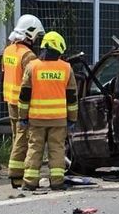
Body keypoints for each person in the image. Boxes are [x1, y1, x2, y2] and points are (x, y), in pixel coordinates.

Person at [18, 31, 78, 191]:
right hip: (58, 119)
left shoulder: (32, 67)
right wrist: (72, 118)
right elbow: (72, 97)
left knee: (34, 148)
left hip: (36, 119)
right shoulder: (66, 68)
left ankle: (30, 182)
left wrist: (22, 117)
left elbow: (24, 95)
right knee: (57, 149)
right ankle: (57, 182)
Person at [1, 14, 43, 188]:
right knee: (23, 138)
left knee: (16, 136)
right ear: (30, 34)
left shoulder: (8, 50)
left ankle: (18, 172)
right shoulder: (28, 56)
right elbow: (32, 82)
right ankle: (17, 175)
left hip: (10, 100)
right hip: (23, 103)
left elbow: (4, 72)